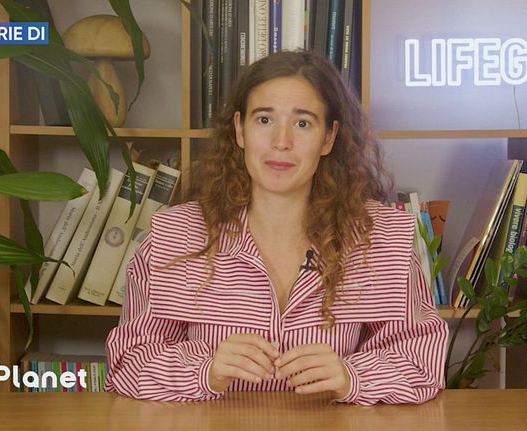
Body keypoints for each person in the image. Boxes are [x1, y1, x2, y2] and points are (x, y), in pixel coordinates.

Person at [104, 50, 448, 405]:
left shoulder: (378, 238)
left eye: (302, 123)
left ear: (328, 138)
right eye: (264, 120)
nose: (281, 142)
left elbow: (421, 364)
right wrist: (205, 372)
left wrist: (352, 377)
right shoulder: (175, 236)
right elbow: (128, 364)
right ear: (240, 130)